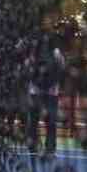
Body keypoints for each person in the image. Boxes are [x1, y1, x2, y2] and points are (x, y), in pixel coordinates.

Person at [27, 15, 65, 159]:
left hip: (50, 88)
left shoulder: (56, 44)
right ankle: (33, 145)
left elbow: (61, 64)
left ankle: (49, 148)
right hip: (36, 87)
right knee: (34, 118)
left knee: (50, 119)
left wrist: (55, 81)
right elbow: (28, 63)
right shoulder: (33, 41)